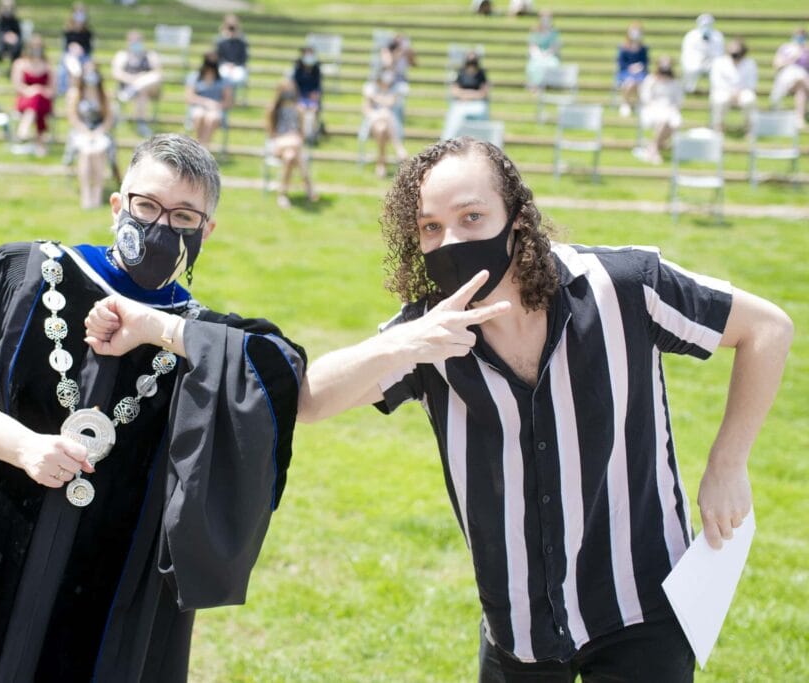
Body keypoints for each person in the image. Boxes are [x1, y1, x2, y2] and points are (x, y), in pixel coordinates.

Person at [297, 136, 793, 682]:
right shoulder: (428, 335)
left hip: (643, 609)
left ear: (515, 219)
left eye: (472, 216)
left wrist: (728, 463)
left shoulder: (623, 287)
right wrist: (405, 342)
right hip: (519, 629)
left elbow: (766, 328)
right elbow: (311, 400)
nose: (452, 240)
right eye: (431, 227)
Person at [0, 133, 306, 682]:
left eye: (184, 217)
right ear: (116, 206)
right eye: (146, 206)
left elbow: (282, 372)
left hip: (113, 592)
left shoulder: (196, 339)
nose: (160, 228)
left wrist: (160, 329)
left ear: (207, 231)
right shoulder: (24, 274)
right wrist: (21, 446)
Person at [65, 61, 117, 209]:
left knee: (98, 152)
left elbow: (108, 119)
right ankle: (86, 194)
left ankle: (97, 193)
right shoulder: (76, 94)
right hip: (81, 131)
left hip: (100, 130)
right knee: (87, 153)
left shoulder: (104, 95)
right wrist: (86, 131)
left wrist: (99, 131)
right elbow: (73, 117)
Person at [266, 79, 318, 209]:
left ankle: (282, 195)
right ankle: (308, 185)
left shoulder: (298, 109)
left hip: (293, 146)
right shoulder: (273, 109)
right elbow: (271, 133)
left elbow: (302, 133)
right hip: (279, 144)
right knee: (294, 144)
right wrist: (288, 138)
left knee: (290, 156)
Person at [110, 30, 163, 138]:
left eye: (138, 40)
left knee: (153, 78)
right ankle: (141, 123)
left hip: (147, 87)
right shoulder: (122, 55)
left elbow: (158, 73)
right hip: (127, 86)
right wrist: (132, 79)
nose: (136, 43)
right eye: (133, 41)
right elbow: (116, 73)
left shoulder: (150, 55)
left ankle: (134, 90)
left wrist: (141, 79)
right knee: (142, 93)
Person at [11, 34, 55, 156]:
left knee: (38, 100)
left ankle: (23, 131)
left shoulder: (48, 65)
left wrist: (40, 90)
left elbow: (52, 89)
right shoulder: (19, 64)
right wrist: (32, 90)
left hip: (44, 99)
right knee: (36, 101)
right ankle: (40, 143)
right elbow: (18, 85)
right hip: (25, 99)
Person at [362, 68, 408, 178]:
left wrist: (375, 98)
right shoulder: (371, 88)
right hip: (373, 122)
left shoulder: (394, 90)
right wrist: (379, 114)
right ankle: (398, 148)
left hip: (389, 126)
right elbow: (366, 110)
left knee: (382, 128)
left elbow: (391, 102)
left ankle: (381, 163)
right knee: (385, 114)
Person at [638, 56, 684, 164]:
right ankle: (655, 148)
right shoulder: (651, 80)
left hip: (670, 108)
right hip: (653, 108)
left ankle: (653, 146)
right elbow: (646, 97)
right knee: (663, 121)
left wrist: (671, 107)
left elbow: (678, 100)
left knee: (674, 122)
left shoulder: (675, 83)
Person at [185, 52, 232, 148]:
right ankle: (199, 146)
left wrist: (217, 105)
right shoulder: (194, 77)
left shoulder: (224, 80)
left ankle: (202, 147)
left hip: (216, 108)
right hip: (198, 106)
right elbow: (189, 97)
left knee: (212, 118)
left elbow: (228, 101)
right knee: (199, 115)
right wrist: (206, 102)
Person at [709, 39, 758, 133]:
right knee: (720, 100)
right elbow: (717, 82)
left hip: (743, 91)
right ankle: (718, 127)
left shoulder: (750, 63)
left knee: (749, 99)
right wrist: (731, 93)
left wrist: (738, 93)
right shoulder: (719, 62)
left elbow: (752, 83)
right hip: (723, 91)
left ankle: (749, 127)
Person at [441, 50, 489, 140]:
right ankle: (448, 140)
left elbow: (484, 92)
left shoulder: (481, 73)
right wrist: (466, 95)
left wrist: (469, 95)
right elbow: (455, 90)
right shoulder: (460, 72)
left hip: (477, 103)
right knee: (454, 117)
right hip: (461, 102)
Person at [769, 28, 809, 127]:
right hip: (787, 75)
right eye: (798, 36)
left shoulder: (807, 50)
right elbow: (776, 65)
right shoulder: (785, 48)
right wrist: (792, 58)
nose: (800, 38)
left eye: (802, 36)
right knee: (801, 80)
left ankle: (799, 118)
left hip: (802, 77)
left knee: (801, 88)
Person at [681, 13, 724, 93]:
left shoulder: (718, 36)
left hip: (711, 62)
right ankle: (688, 89)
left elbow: (719, 53)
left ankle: (716, 89)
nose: (706, 27)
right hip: (695, 61)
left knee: (717, 68)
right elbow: (688, 53)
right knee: (692, 68)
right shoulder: (691, 36)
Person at [57, 2, 93, 96]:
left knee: (88, 68)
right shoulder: (68, 31)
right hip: (70, 55)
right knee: (64, 68)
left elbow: (89, 48)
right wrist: (72, 48)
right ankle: (63, 89)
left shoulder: (88, 32)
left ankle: (83, 89)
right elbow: (64, 47)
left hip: (83, 56)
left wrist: (81, 50)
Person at [616, 22, 649, 117]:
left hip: (640, 73)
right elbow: (621, 63)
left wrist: (639, 67)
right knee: (630, 83)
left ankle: (640, 104)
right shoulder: (623, 48)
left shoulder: (643, 48)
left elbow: (645, 62)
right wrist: (630, 68)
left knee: (641, 83)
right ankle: (626, 104)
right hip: (626, 72)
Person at [292, 45, 323, 143]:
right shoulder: (298, 69)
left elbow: (318, 87)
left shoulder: (316, 70)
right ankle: (301, 134)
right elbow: (294, 86)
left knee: (312, 112)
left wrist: (315, 94)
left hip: (312, 98)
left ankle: (311, 136)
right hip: (300, 97)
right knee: (301, 111)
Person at [526, 10, 561, 89]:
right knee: (534, 66)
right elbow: (532, 46)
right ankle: (535, 86)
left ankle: (548, 85)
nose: (545, 21)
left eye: (547, 19)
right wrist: (539, 53)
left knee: (553, 64)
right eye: (543, 19)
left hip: (550, 56)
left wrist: (547, 53)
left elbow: (555, 47)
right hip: (537, 55)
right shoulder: (535, 31)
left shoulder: (554, 32)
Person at [215, 13, 249, 92]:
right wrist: (226, 64)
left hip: (238, 66)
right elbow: (218, 56)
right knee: (223, 76)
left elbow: (243, 57)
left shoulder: (242, 41)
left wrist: (234, 65)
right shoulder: (220, 40)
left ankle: (230, 97)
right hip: (224, 65)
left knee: (237, 78)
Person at [0, 0, 23, 72]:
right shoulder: (0, 20)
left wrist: (13, 37)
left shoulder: (15, 20)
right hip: (3, 40)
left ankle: (14, 66)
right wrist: (6, 36)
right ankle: (0, 60)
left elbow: (18, 32)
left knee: (18, 45)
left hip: (14, 41)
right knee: (0, 44)